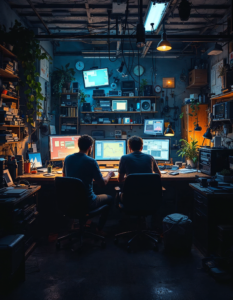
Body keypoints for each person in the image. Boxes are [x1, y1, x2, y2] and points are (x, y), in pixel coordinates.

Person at [63, 134, 115, 232]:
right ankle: (99, 229)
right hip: (88, 202)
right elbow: (102, 184)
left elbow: (64, 177)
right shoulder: (91, 161)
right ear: (90, 147)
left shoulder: (67, 159)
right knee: (110, 198)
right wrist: (109, 175)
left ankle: (82, 223)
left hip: (70, 201)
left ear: (78, 145)